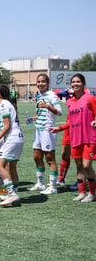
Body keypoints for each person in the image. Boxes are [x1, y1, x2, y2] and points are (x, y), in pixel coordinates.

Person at [50, 73, 96, 202]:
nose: (75, 84)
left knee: (87, 166)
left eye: (78, 82)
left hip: (89, 137)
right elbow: (70, 121)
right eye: (73, 82)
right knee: (79, 166)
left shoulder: (90, 98)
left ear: (83, 84)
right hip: (75, 138)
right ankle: (82, 192)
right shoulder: (69, 102)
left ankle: (92, 193)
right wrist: (59, 128)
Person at [27, 74, 62, 194]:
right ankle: (40, 184)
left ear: (48, 83)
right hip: (38, 129)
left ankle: (53, 187)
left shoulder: (52, 95)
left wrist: (47, 106)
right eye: (38, 82)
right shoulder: (39, 96)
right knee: (37, 157)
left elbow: (59, 112)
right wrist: (33, 118)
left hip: (48, 130)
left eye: (43, 82)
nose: (40, 84)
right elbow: (42, 113)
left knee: (49, 158)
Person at [0, 84, 24, 207]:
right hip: (18, 137)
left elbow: (7, 125)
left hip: (13, 138)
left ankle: (12, 194)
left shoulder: (3, 104)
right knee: (12, 167)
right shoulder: (8, 104)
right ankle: (13, 193)